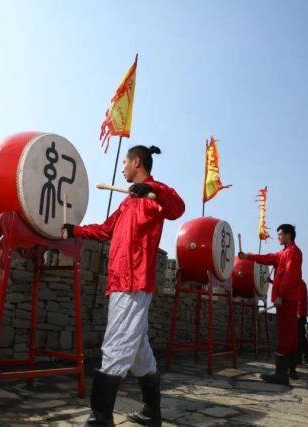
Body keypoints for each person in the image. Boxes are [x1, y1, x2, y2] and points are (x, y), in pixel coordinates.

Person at [62, 145, 185, 427]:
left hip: (134, 279)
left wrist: (153, 191)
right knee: (140, 354)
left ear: (137, 162)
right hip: (121, 279)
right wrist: (75, 230)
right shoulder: (128, 202)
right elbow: (105, 230)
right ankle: (151, 413)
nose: (122, 168)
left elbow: (178, 208)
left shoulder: (156, 195)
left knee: (116, 345)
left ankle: (100, 418)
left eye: (125, 162)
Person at [239, 224, 302, 386]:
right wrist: (247, 256)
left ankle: (282, 374)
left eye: (280, 234)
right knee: (284, 334)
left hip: (287, 300)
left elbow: (290, 276)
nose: (279, 237)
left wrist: (281, 295)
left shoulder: (293, 253)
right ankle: (283, 371)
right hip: (283, 301)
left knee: (285, 335)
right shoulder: (282, 254)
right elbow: (266, 258)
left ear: (288, 235)